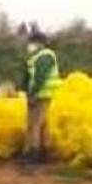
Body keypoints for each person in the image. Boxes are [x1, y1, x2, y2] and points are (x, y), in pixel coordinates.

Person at [20, 27, 61, 163]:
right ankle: (45, 152)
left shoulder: (45, 56)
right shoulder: (35, 57)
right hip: (38, 94)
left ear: (39, 43)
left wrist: (32, 94)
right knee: (42, 123)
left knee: (34, 124)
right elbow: (28, 76)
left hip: (41, 95)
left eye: (31, 42)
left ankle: (34, 153)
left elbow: (40, 77)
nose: (29, 45)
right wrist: (24, 90)